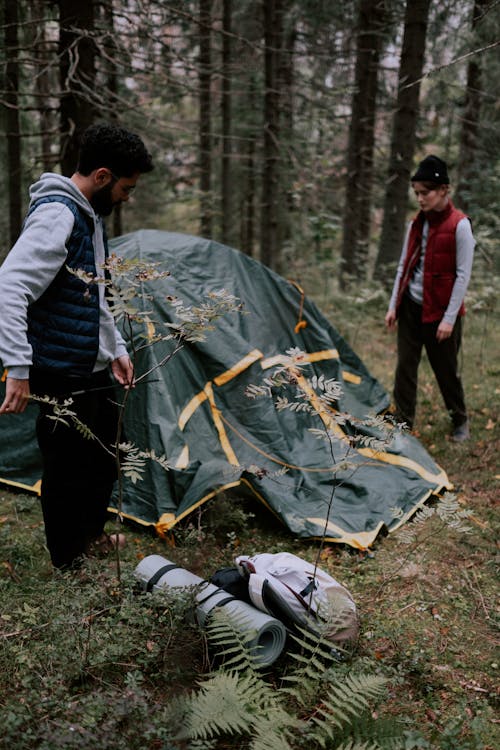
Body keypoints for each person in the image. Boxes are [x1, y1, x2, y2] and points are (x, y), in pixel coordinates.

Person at [0, 123, 154, 569]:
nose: (128, 196)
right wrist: (18, 367)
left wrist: (116, 350)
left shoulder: (87, 214)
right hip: (57, 366)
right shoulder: (59, 214)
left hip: (87, 364)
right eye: (126, 187)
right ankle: (70, 563)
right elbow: (10, 286)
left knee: (103, 451)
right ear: (103, 176)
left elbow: (93, 295)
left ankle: (90, 537)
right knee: (67, 467)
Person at [385, 155, 475, 442]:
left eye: (426, 192)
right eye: (417, 193)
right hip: (411, 307)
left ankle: (459, 420)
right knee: (405, 366)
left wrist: (449, 319)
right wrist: (393, 306)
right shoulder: (416, 224)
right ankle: (402, 420)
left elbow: (462, 276)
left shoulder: (460, 226)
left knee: (446, 370)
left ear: (444, 190)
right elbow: (403, 265)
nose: (421, 199)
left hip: (440, 313)